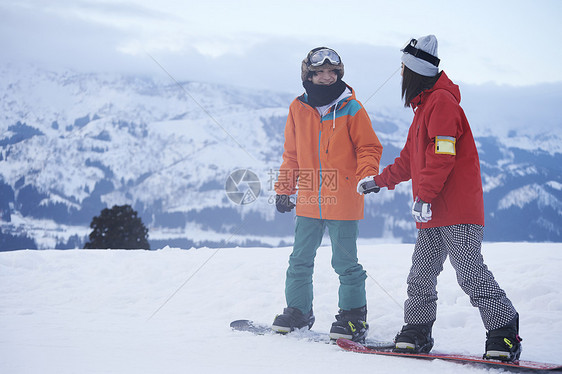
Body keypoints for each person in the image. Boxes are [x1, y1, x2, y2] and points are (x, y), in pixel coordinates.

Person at [363, 35, 522, 361]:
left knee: (471, 275)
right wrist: (378, 181)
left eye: (403, 69)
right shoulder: (423, 109)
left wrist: (424, 196)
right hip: (432, 212)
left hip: (457, 210)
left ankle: (505, 332)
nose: (401, 75)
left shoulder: (442, 104)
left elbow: (443, 154)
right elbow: (410, 160)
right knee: (420, 275)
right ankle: (417, 330)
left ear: (413, 71)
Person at [272, 47, 383, 342]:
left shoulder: (352, 108)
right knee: (299, 260)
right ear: (308, 75)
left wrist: (367, 175)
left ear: (338, 74)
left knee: (345, 263)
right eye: (319, 72)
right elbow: (291, 155)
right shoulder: (298, 108)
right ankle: (297, 311)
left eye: (331, 72)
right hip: (309, 198)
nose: (325, 77)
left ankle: (352, 316)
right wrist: (285, 188)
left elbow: (369, 148)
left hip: (344, 197)